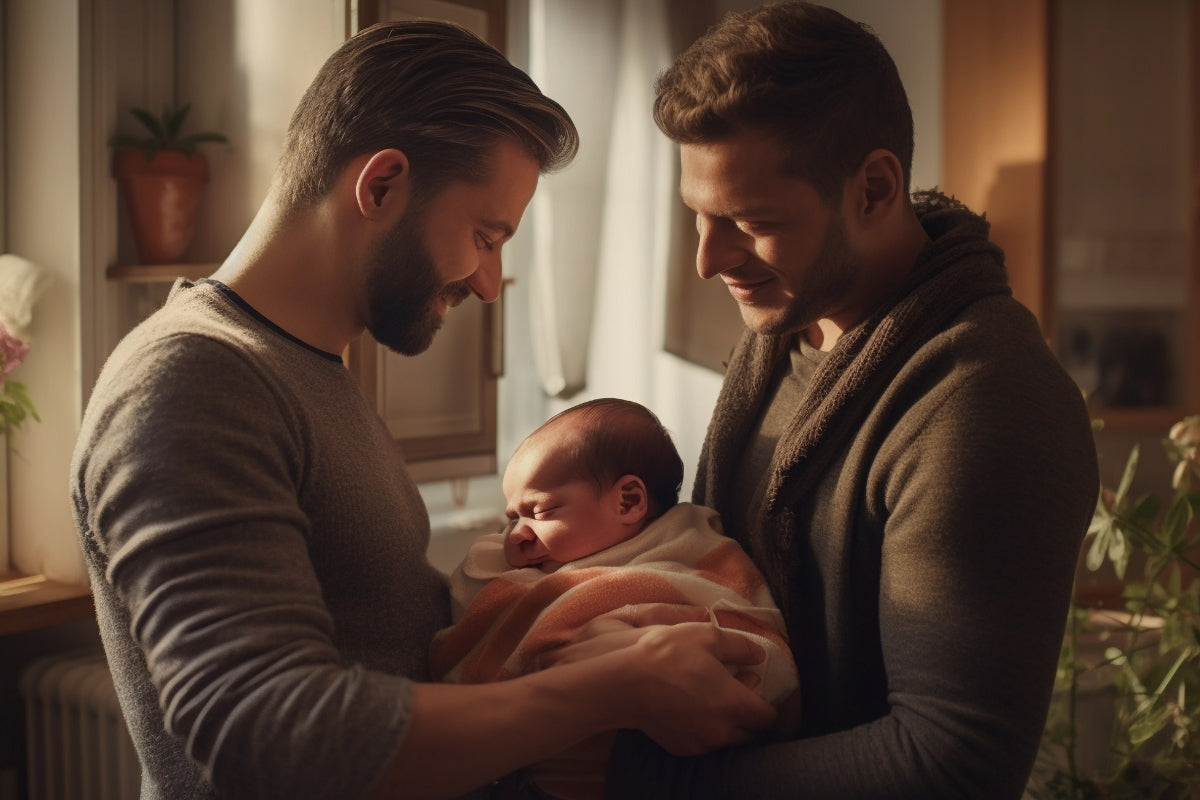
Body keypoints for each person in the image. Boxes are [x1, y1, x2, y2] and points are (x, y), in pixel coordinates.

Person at [69, 20, 775, 800]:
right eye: (484, 235)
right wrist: (616, 689)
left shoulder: (310, 376)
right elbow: (262, 731)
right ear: (381, 185)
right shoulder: (193, 379)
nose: (485, 281)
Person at [599, 3, 1100, 798]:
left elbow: (951, 764)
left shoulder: (985, 401)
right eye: (697, 216)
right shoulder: (787, 333)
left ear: (874, 188)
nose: (707, 260)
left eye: (750, 221)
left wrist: (635, 778)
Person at [431, 398, 799, 799]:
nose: (517, 533)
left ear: (628, 501)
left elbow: (749, 629)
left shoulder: (692, 553)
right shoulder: (536, 573)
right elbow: (482, 606)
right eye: (511, 519)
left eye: (539, 510)